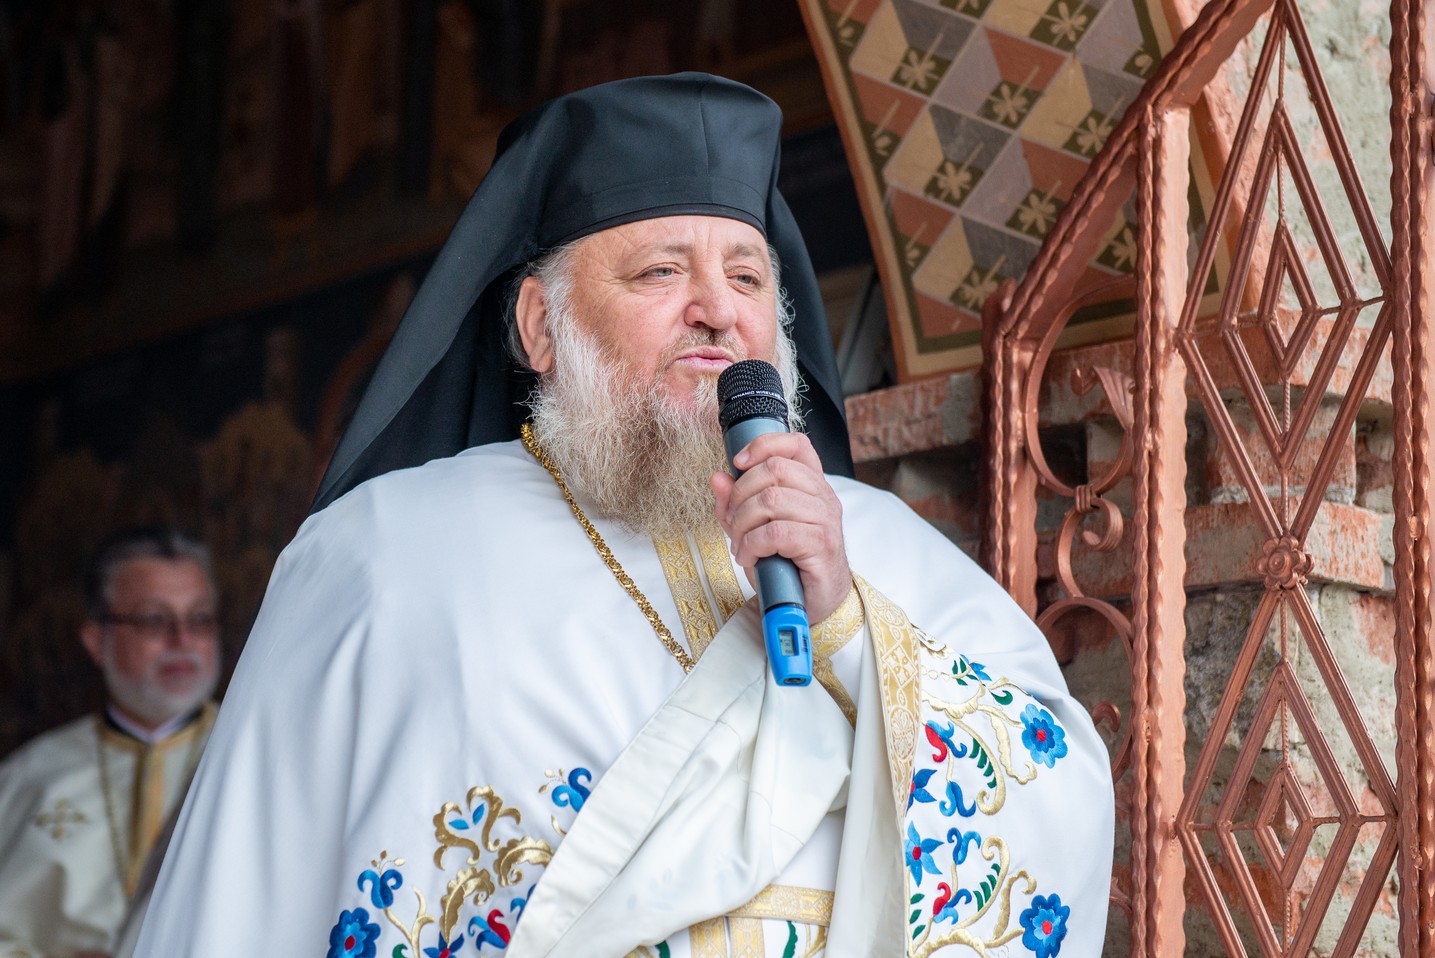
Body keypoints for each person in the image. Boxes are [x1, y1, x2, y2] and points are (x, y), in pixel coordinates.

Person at [135, 74, 1114, 957]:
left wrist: (850, 632)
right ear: (538, 326)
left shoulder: (883, 546)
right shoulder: (382, 560)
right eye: (658, 272)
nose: (716, 310)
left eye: (744, 275)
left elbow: (1053, 787)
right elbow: (235, 904)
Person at [0, 528, 221, 958]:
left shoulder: (256, 759)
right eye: (155, 620)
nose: (183, 641)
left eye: (199, 619)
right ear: (96, 640)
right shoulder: (27, 778)